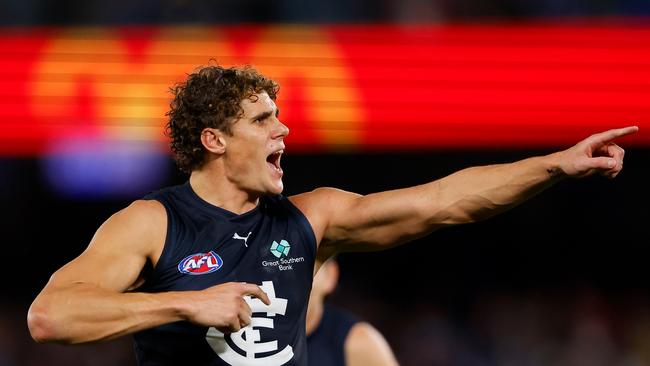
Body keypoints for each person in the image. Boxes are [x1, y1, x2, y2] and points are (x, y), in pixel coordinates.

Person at [27, 64, 637, 366]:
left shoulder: (309, 219)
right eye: (262, 119)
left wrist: (553, 165)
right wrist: (184, 304)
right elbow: (51, 316)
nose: (283, 127)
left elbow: (443, 202)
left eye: (278, 115)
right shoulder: (152, 222)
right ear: (214, 141)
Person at [306, 258, 398, 366]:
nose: (291, 281)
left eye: (304, 268)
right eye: (281, 269)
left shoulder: (358, 344)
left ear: (330, 275)